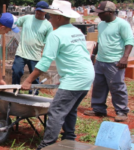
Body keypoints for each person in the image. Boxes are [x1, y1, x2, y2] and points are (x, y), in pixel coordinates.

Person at [21, 0, 95, 149]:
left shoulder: (56, 35)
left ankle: (47, 145)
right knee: (70, 109)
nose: (49, 18)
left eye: (52, 15)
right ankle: (69, 138)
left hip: (75, 77)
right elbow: (76, 55)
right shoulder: (76, 31)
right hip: (86, 75)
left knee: (56, 111)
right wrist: (65, 77)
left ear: (59, 17)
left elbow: (44, 62)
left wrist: (28, 80)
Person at [84, 1, 134, 122]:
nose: (98, 15)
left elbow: (129, 42)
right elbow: (100, 41)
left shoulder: (122, 24)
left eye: (101, 13)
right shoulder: (101, 24)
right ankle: (98, 108)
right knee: (98, 86)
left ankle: (121, 111)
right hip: (101, 60)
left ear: (110, 12)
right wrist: (94, 54)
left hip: (115, 61)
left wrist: (124, 58)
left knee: (116, 86)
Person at [12, 1, 53, 94]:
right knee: (16, 71)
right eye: (37, 10)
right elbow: (15, 22)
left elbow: (48, 42)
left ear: (46, 12)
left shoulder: (48, 25)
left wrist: (44, 54)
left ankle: (33, 96)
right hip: (21, 52)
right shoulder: (27, 18)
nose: (38, 12)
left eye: (41, 11)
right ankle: (15, 92)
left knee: (34, 78)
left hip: (36, 55)